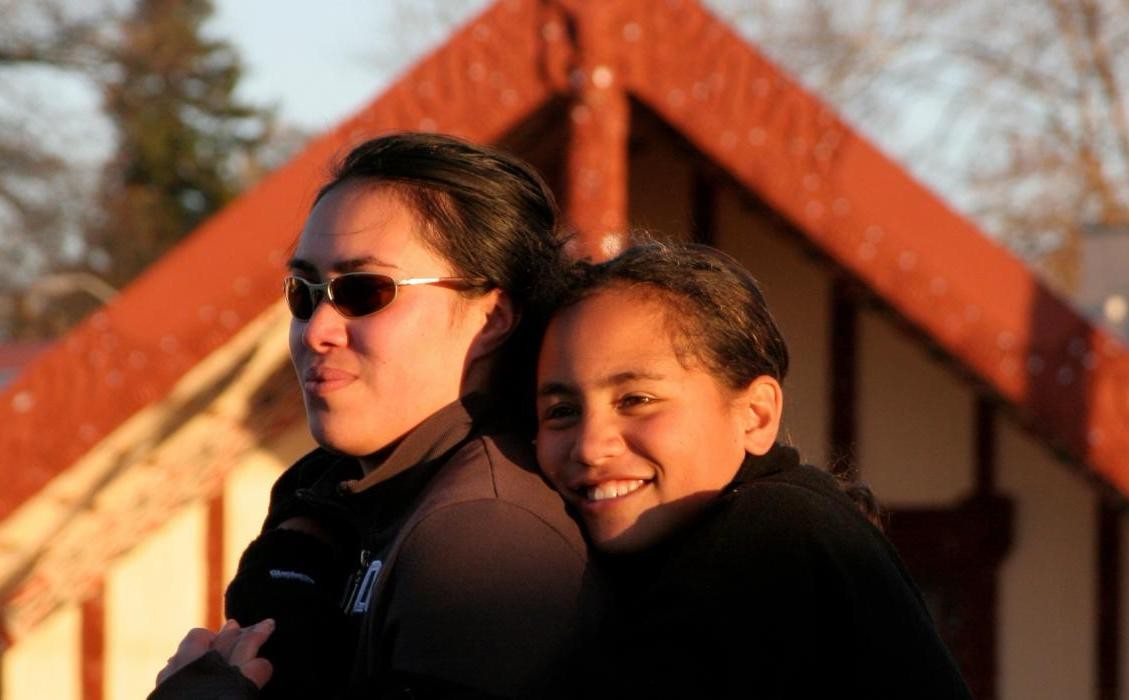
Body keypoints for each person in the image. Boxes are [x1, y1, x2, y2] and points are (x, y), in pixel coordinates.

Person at [152, 133, 599, 699]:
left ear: (493, 317)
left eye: (364, 291)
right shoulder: (337, 502)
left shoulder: (483, 537)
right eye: (303, 292)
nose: (317, 329)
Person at [534, 239, 973, 698]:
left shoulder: (770, 539)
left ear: (756, 414)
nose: (589, 446)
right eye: (562, 411)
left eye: (637, 400)